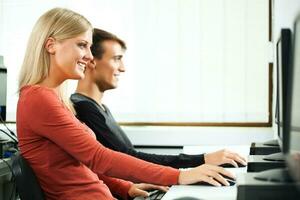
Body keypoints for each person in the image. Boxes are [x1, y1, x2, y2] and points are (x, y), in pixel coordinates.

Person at [17, 7, 235, 200]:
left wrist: (125, 187)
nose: (89, 56)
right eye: (82, 45)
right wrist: (180, 175)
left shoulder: (55, 99)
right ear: (51, 45)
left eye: (90, 47)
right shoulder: (38, 98)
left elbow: (80, 164)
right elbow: (98, 157)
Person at [71, 28, 247, 169]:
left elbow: (129, 156)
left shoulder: (100, 108)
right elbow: (129, 159)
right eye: (117, 59)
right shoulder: (84, 107)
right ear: (91, 61)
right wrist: (202, 159)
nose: (122, 68)